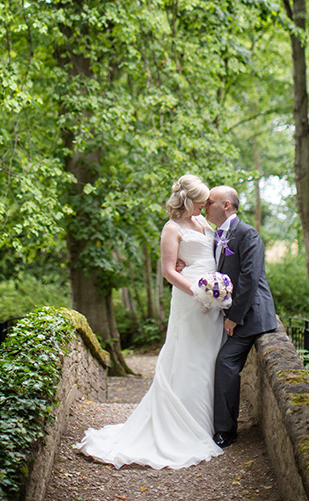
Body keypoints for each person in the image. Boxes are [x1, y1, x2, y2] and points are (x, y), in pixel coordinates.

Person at [75, 174, 225, 469]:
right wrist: (196, 291)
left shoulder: (204, 224)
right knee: (188, 358)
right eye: (200, 202)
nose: (204, 206)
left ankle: (205, 422)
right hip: (191, 299)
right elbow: (169, 271)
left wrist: (215, 288)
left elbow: (213, 254)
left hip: (213, 298)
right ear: (188, 201)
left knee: (208, 358)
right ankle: (183, 426)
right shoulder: (171, 228)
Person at [204, 185, 277, 449]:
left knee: (225, 362)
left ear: (225, 205)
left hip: (251, 315)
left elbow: (249, 278)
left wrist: (234, 317)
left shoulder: (247, 233)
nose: (204, 206)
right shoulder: (215, 236)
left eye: (209, 202)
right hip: (227, 313)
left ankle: (226, 431)